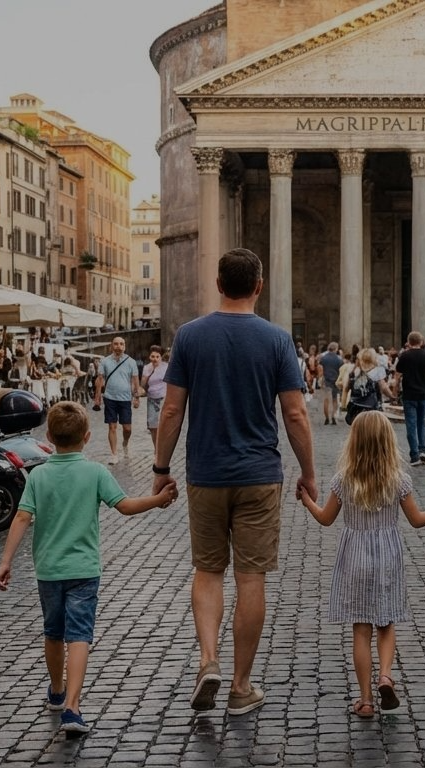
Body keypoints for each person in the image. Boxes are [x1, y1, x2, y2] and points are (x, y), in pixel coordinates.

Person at [154, 247, 317, 717]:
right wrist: (307, 472)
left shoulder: (189, 337)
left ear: (219, 284)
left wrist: (161, 468)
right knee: (251, 578)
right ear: (259, 286)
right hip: (260, 476)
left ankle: (208, 661)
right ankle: (241, 685)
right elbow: (294, 413)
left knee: (207, 572)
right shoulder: (277, 339)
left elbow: (171, 408)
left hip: (206, 474)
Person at [0, 401, 178, 735]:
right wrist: (158, 500)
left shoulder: (38, 474)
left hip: (49, 570)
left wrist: (6, 561)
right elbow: (125, 506)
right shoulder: (95, 472)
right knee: (79, 635)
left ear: (48, 437)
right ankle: (73, 707)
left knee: (53, 631)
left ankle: (56, 690)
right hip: (84, 570)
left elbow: (22, 516)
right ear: (87, 436)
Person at [297, 410, 425, 718]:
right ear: (387, 443)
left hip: (354, 556)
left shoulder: (343, 480)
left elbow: (326, 519)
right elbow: (417, 520)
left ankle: (366, 700)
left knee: (360, 629)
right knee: (386, 622)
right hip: (387, 557)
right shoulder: (399, 480)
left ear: (354, 443)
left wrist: (307, 500)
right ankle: (386, 675)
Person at [392, 331, 425, 465]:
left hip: (409, 395)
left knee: (411, 424)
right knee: (422, 422)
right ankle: (423, 451)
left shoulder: (404, 356)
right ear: (421, 342)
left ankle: (414, 455)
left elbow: (397, 377)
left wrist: (394, 393)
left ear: (408, 342)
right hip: (423, 395)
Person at [93, 337, 140, 465]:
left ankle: (125, 443)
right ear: (111, 346)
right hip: (110, 398)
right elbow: (100, 380)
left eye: (121, 344)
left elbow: (135, 380)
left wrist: (136, 397)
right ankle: (114, 454)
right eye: (116, 344)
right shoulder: (105, 361)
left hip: (125, 399)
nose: (118, 346)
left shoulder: (131, 362)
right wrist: (97, 398)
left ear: (124, 346)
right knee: (112, 426)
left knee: (127, 428)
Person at [141, 345, 168, 446]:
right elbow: (143, 386)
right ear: (149, 357)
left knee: (162, 425)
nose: (155, 359)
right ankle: (156, 449)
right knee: (153, 426)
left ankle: (161, 447)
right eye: (153, 356)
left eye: (157, 357)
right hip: (151, 399)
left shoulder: (166, 367)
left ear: (161, 357)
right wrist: (145, 378)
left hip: (163, 398)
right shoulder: (147, 368)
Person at [318, 342, 345, 426]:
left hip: (326, 380)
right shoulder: (339, 359)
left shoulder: (323, 358)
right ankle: (333, 416)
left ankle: (326, 418)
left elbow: (320, 369)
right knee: (334, 399)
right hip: (336, 381)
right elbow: (341, 370)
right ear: (336, 349)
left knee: (326, 400)